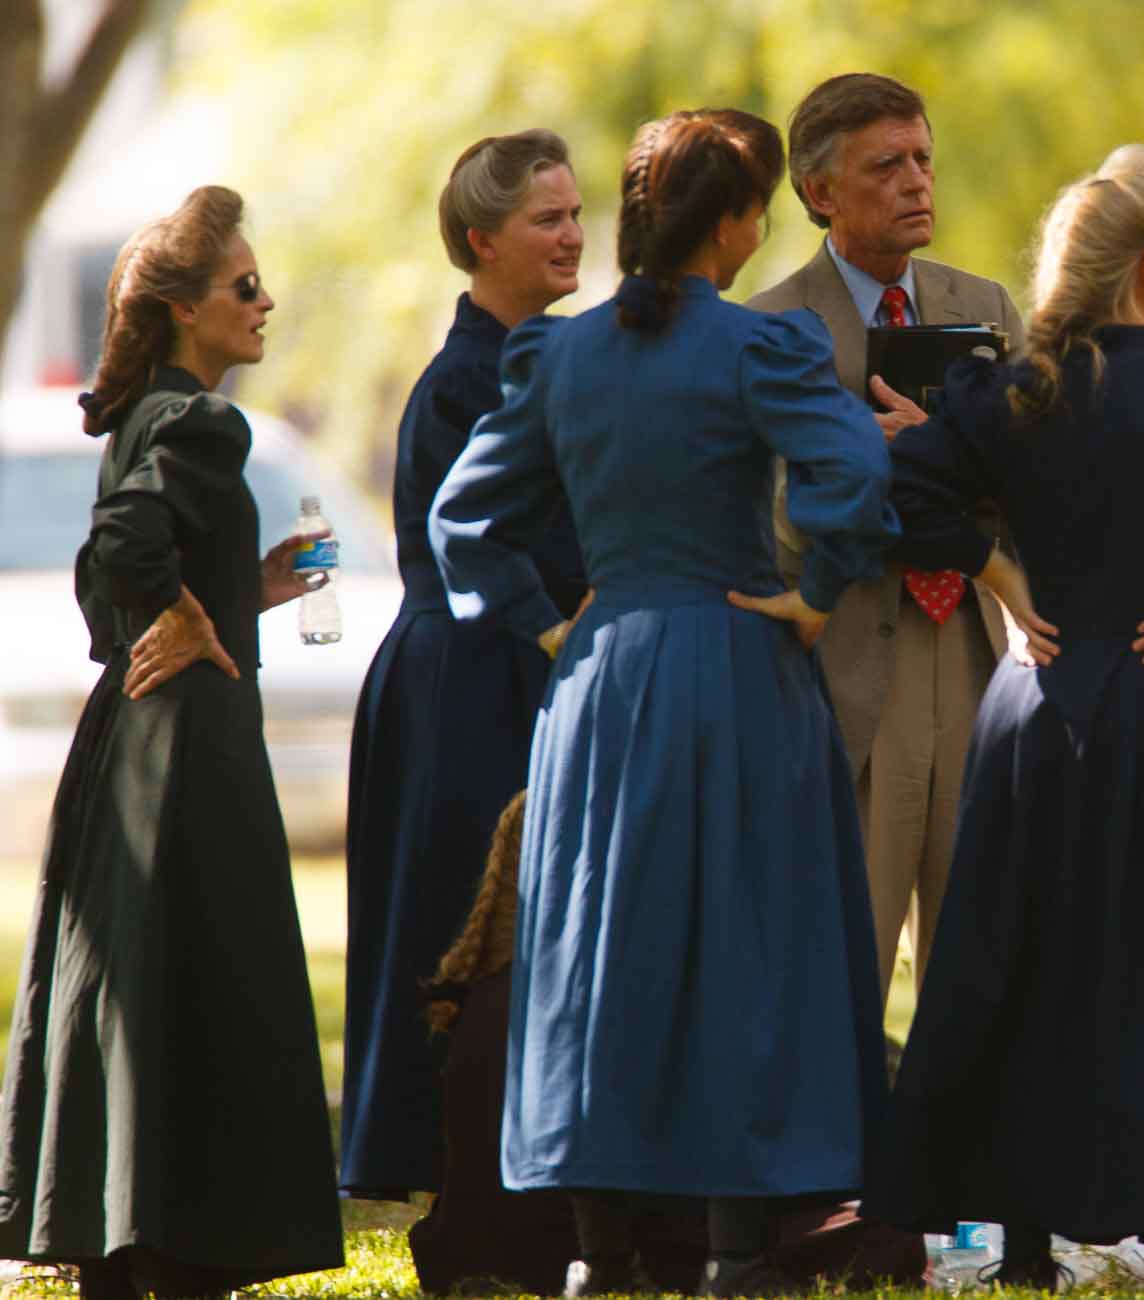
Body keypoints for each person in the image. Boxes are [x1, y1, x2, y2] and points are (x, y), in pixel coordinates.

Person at [429, 108, 897, 1298]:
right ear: (732, 226)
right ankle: (739, 1251)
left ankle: (602, 1248)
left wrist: (547, 622)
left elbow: (461, 518)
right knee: (745, 944)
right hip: (733, 671)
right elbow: (853, 472)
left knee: (602, 951)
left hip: (601, 683)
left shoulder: (560, 354)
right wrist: (818, 593)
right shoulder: (756, 349)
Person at [862, 145, 1144, 1287]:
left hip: (1040, 700)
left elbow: (907, 483)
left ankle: (1021, 1235)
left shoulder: (1007, 392)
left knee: (1018, 953)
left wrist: (1001, 576)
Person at [0, 186, 343, 1297]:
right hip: (191, 749)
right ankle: (193, 1236)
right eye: (244, 287)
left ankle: (127, 1230)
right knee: (210, 973)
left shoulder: (143, 411)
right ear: (186, 310)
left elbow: (119, 558)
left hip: (134, 745)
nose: (265, 301)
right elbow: (125, 541)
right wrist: (179, 614)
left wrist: (238, 591)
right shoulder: (202, 419)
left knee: (149, 980)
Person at [341, 127, 590, 1201]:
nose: (574, 235)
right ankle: (448, 1166)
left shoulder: (557, 356)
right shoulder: (462, 382)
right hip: (465, 679)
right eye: (549, 218)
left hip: (527, 664)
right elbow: (484, 546)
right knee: (456, 926)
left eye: (579, 214)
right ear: (482, 241)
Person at [409, 792, 927, 1296]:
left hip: (486, 1243)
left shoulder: (482, 992)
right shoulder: (605, 993)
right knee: (870, 1232)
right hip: (608, 1231)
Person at [747, 72, 1025, 1003]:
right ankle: (845, 1145)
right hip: (848, 659)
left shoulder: (983, 304)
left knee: (975, 962)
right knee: (844, 965)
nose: (917, 183)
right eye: (887, 167)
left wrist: (940, 449)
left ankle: (956, 1151)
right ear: (820, 192)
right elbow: (782, 515)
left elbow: (1030, 484)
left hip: (975, 650)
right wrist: (861, 451)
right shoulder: (770, 324)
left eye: (923, 160)